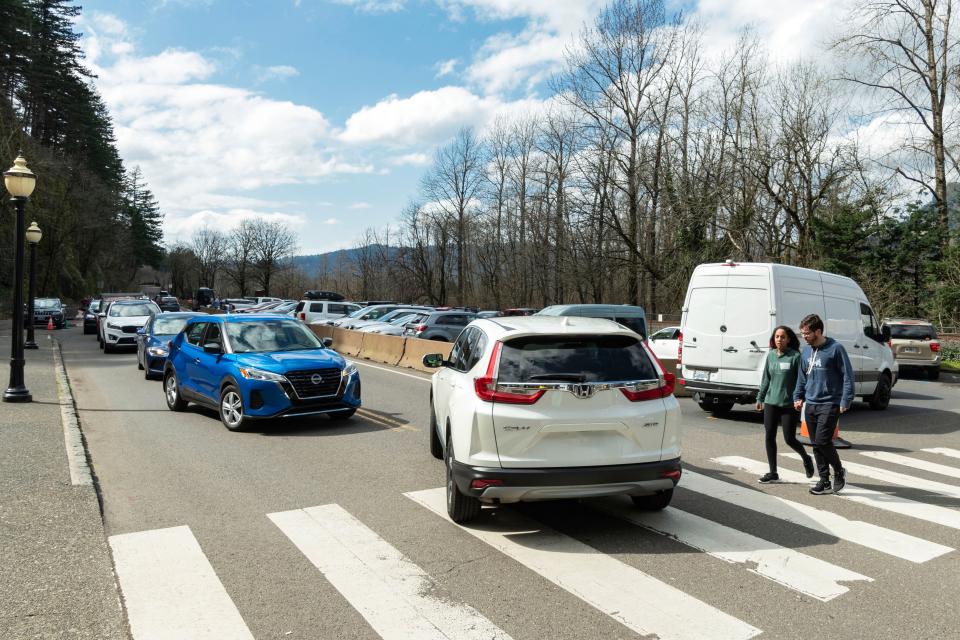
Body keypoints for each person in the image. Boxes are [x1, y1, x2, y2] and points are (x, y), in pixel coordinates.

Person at [793, 313, 855, 495]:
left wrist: (846, 399)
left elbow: (847, 376)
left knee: (822, 440)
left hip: (830, 402)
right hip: (810, 403)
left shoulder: (836, 349)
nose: (804, 337)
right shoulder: (806, 351)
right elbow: (802, 376)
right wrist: (798, 396)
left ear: (818, 331)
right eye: (802, 333)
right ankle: (824, 480)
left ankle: (839, 471)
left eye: (807, 333)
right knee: (815, 443)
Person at [756, 326, 814, 483]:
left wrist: (800, 398)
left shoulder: (795, 356)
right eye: (777, 337)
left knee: (789, 439)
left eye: (782, 337)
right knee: (769, 436)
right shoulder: (771, 356)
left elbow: (801, 380)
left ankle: (806, 458)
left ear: (788, 339)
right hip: (770, 402)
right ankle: (773, 472)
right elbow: (766, 379)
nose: (779, 339)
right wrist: (760, 398)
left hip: (789, 404)